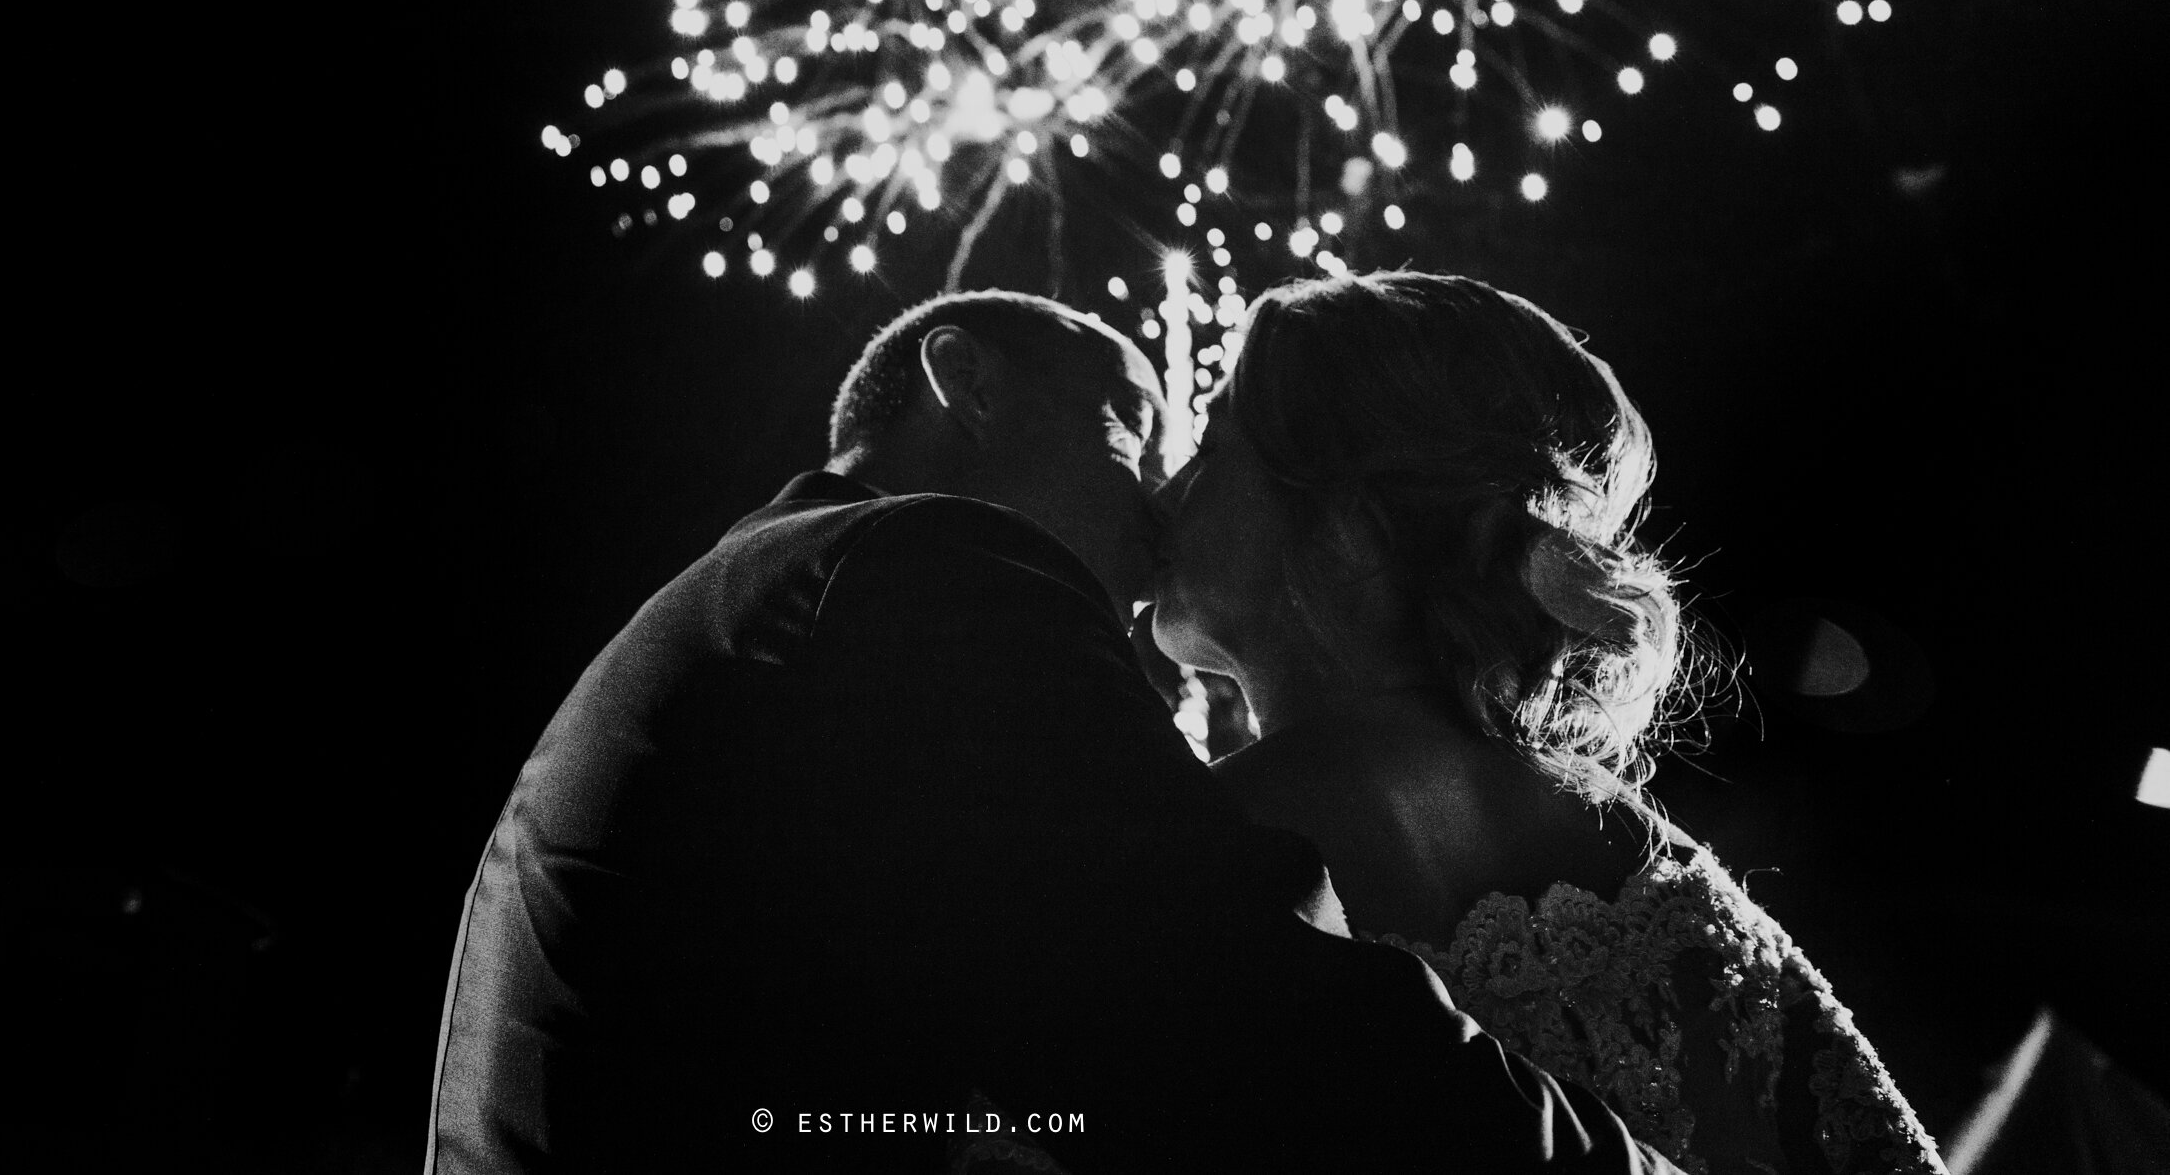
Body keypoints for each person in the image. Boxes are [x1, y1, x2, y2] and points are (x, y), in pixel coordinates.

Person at [426, 290, 1678, 1173]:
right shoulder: (923, 556)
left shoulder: (791, 589)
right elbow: (1221, 1017)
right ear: (966, 382)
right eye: (1131, 424)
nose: (1157, 491)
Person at [1151, 271, 1944, 1175]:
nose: (1168, 492)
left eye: (1212, 446)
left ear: (1349, 522)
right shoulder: (1634, 844)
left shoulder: (1203, 833)